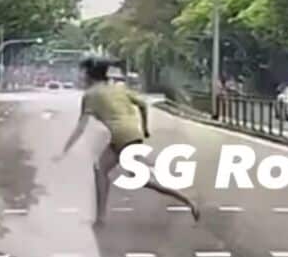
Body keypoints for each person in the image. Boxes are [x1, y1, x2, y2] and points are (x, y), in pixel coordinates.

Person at [54, 57, 199, 227]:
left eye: (82, 74)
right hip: (130, 133)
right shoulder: (118, 88)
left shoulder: (90, 95)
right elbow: (143, 105)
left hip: (122, 136)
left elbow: (80, 127)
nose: (80, 77)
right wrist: (144, 128)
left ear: (89, 76)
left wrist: (64, 151)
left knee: (139, 178)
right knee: (101, 169)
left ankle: (187, 199)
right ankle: (100, 218)